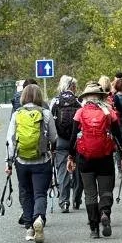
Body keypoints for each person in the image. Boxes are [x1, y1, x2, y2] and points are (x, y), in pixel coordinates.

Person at [67, 81, 122, 238]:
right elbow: (118, 136)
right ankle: (105, 212)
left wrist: (71, 157)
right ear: (101, 97)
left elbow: (73, 138)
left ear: (86, 97)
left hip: (85, 159)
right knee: (106, 190)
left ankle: (94, 228)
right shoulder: (109, 112)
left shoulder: (80, 113)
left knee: (90, 193)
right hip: (105, 157)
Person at [5, 83, 57, 243]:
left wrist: (8, 162)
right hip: (42, 160)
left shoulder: (17, 114)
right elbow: (54, 137)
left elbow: (10, 140)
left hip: (22, 161)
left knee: (26, 192)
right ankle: (39, 218)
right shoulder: (46, 113)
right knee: (40, 193)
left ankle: (29, 228)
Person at [49, 75, 82, 213]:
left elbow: (50, 122)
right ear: (72, 87)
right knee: (77, 169)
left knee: (62, 169)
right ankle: (76, 198)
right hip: (76, 140)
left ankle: (64, 201)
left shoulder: (55, 101)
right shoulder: (78, 102)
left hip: (60, 140)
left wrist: (51, 144)